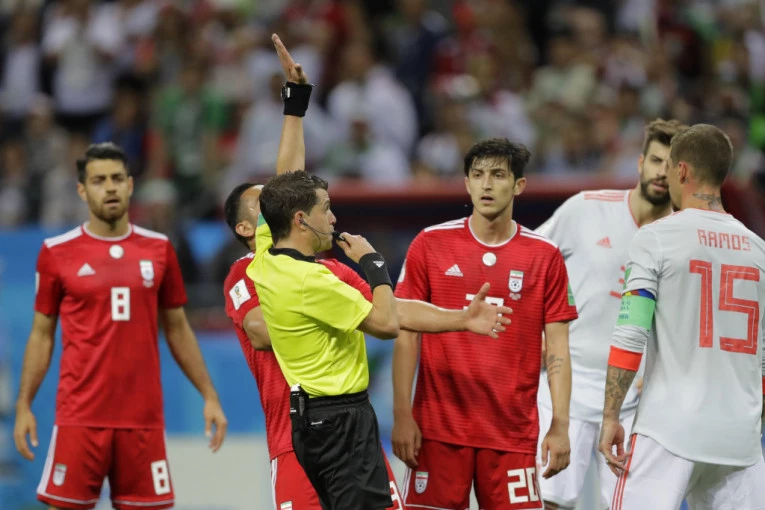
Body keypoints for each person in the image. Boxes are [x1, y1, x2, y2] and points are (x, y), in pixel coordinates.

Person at [224, 34, 514, 510]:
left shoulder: (274, 261)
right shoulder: (299, 278)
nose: (334, 216)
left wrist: (461, 318)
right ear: (296, 219)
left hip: (323, 423)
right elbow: (377, 321)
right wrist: (373, 271)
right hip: (325, 423)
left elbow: (393, 309)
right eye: (326, 208)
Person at [13, 142, 227, 510]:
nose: (109, 187)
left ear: (130, 185)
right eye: (98, 180)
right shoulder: (56, 251)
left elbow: (177, 329)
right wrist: (24, 405)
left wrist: (209, 395)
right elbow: (42, 334)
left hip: (143, 420)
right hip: (80, 418)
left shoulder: (160, 248)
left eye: (116, 178)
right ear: (82, 190)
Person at [392, 138, 579, 509]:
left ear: (519, 185)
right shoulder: (430, 244)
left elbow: (558, 346)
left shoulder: (545, 256)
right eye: (477, 175)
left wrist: (560, 424)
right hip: (439, 431)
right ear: (466, 183)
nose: (486, 185)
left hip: (512, 435)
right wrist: (401, 414)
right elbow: (406, 333)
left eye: (498, 175)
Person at [598, 124, 765, 509]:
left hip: (669, 429)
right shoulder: (758, 250)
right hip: (739, 437)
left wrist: (610, 416)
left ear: (682, 170)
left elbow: (630, 334)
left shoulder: (657, 238)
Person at [535, 118, 687, 509]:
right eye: (655, 160)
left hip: (639, 399)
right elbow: (531, 259)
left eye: (671, 165)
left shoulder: (684, 236)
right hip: (563, 386)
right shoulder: (585, 208)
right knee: (548, 502)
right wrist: (536, 332)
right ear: (640, 162)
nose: (661, 172)